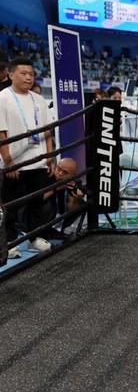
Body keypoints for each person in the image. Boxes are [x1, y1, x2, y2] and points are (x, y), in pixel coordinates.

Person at [0, 56, 55, 258]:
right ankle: (10, 240)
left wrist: (51, 157)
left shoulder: (39, 99)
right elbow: (1, 133)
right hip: (14, 163)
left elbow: (48, 129)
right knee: (11, 204)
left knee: (38, 202)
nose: (28, 77)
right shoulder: (3, 98)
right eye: (23, 73)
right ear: (10, 74)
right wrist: (8, 162)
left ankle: (34, 237)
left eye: (31, 74)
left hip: (39, 160)